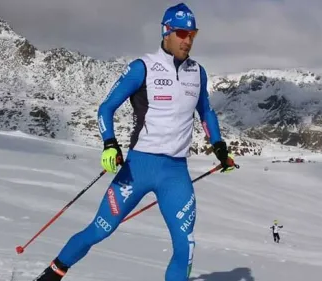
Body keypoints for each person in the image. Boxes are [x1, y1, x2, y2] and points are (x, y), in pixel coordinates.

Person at [32, 3, 236, 281]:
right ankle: (51, 275)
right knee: (100, 229)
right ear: (166, 32)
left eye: (192, 34)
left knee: (185, 245)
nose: (187, 40)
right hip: (138, 168)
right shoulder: (142, 68)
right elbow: (105, 108)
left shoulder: (197, 72)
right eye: (181, 33)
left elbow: (206, 112)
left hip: (175, 174)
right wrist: (110, 144)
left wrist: (219, 146)